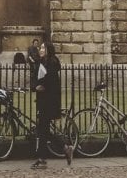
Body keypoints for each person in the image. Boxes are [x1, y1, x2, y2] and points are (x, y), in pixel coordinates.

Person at [32, 41, 72, 169]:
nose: (41, 49)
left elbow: (50, 80)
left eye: (43, 47)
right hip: (42, 100)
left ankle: (44, 158)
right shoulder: (41, 62)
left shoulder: (52, 62)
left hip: (49, 101)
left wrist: (41, 85)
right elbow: (35, 78)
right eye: (40, 47)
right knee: (42, 129)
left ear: (49, 49)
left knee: (42, 129)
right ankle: (63, 148)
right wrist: (36, 86)